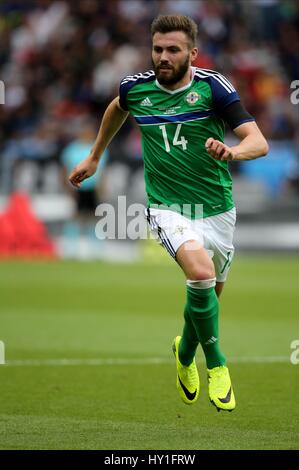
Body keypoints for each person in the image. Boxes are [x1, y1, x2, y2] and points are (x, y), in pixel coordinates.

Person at [69, 15, 269, 412]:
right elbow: (117, 107)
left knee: (207, 297)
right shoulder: (136, 88)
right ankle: (217, 366)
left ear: (192, 53)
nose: (163, 56)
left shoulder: (213, 88)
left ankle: (183, 352)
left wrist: (232, 151)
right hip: (166, 207)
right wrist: (95, 156)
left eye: (173, 50)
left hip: (217, 210)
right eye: (158, 49)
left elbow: (258, 141)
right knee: (200, 273)